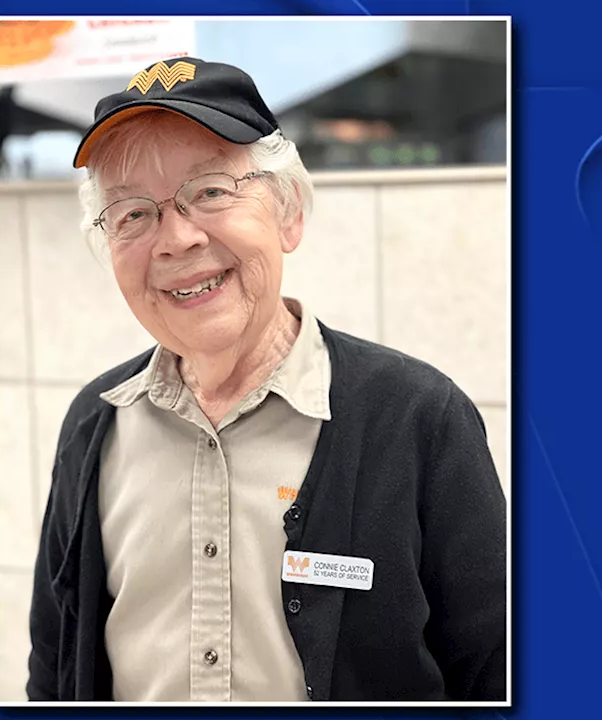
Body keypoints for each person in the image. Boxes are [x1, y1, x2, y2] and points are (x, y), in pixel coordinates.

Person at [26, 56, 507, 703]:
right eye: (132, 213)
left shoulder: (420, 419)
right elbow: (53, 675)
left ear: (288, 213)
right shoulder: (94, 426)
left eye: (211, 191)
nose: (176, 238)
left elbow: (503, 675)